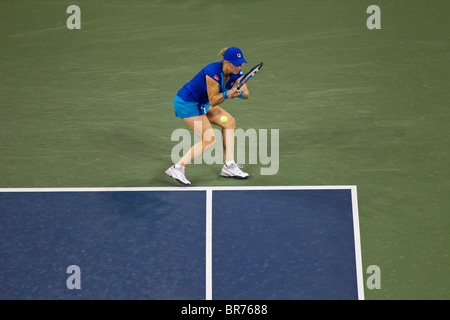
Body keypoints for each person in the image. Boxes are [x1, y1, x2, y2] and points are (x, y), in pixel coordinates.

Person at [165, 47, 250, 186]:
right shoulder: (212, 72)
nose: (239, 66)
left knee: (230, 122)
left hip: (201, 102)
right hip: (187, 103)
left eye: (241, 63)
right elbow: (214, 100)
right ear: (226, 62)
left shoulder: (237, 72)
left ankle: (229, 166)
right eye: (236, 63)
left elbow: (246, 94)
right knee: (209, 139)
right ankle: (177, 168)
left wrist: (238, 93)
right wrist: (227, 94)